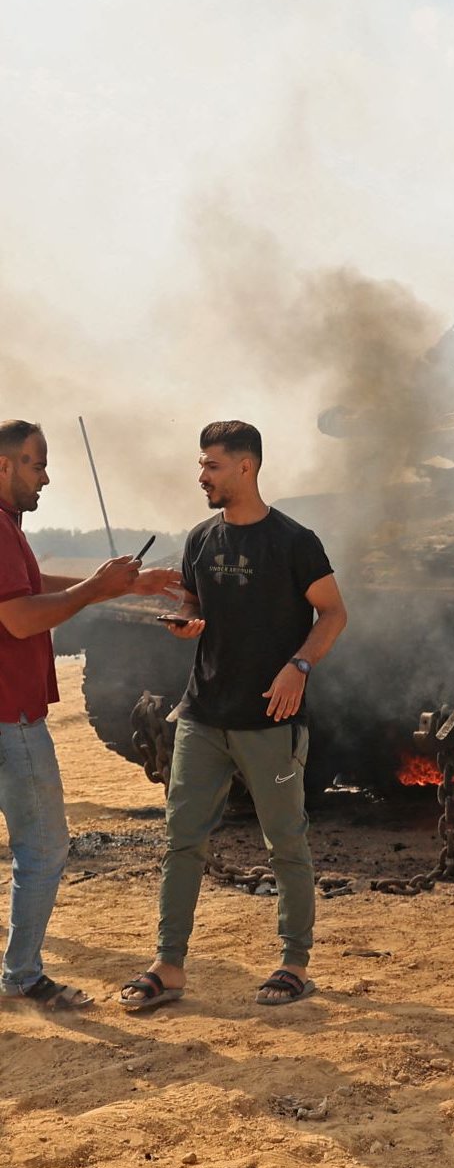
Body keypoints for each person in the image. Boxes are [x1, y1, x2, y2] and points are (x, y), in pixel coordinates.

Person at [119, 421, 347, 1012]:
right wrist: (186, 623)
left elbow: (333, 614)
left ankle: (294, 963)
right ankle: (169, 966)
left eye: (211, 466)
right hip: (202, 713)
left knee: (286, 844)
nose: (201, 477)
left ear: (246, 467)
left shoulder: (294, 541)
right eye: (201, 466)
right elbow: (196, 607)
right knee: (181, 841)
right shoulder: (200, 539)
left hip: (271, 719)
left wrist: (298, 666)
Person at [0, 419, 179, 1009]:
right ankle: (23, 976)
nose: (45, 476)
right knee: (44, 849)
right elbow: (23, 617)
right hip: (10, 715)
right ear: (4, 465)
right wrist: (97, 590)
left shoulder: (8, 527)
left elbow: (31, 584)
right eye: (35, 463)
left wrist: (120, 586)